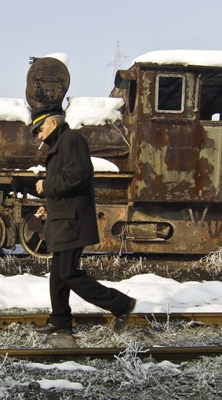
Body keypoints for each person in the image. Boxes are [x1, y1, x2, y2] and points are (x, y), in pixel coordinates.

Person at [30, 107, 136, 335]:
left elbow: (78, 175)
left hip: (72, 221)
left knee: (68, 273)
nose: (39, 136)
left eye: (40, 129)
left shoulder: (70, 140)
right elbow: (67, 181)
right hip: (63, 218)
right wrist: (48, 206)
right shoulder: (61, 144)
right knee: (58, 274)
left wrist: (45, 186)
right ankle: (60, 320)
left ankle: (120, 304)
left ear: (53, 124)